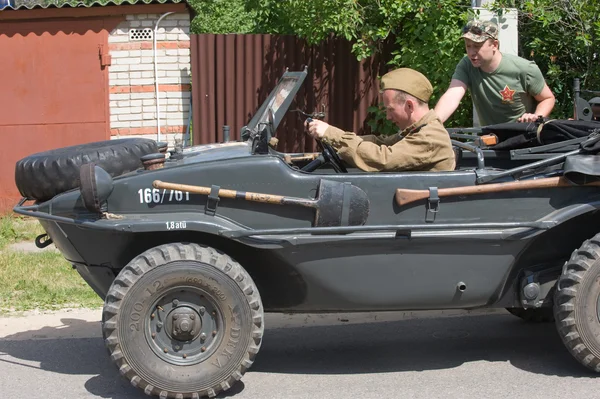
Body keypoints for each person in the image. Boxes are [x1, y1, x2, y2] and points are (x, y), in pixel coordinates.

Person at [305, 68, 455, 172]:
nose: (388, 117)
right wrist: (333, 137)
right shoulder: (419, 129)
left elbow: (383, 159)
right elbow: (380, 143)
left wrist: (331, 134)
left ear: (409, 105)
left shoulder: (429, 137)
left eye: (390, 109)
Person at [434, 19, 556, 126]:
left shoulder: (524, 69)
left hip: (524, 139)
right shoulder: (467, 65)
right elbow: (452, 95)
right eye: (468, 46)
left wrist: (535, 118)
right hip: (490, 140)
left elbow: (547, 98)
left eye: (477, 46)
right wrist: (433, 123)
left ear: (494, 45)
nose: (471, 52)